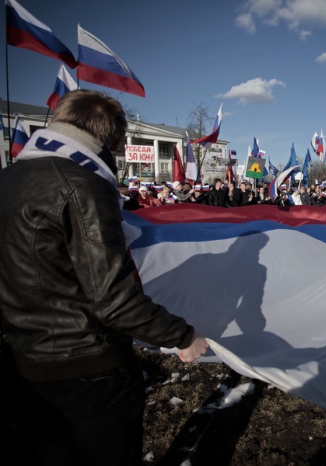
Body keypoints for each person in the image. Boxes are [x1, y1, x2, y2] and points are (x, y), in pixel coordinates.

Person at [0, 89, 209, 466]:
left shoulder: (9, 178)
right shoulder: (84, 185)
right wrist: (182, 335)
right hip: (89, 366)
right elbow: (113, 298)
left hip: (28, 360)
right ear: (111, 141)